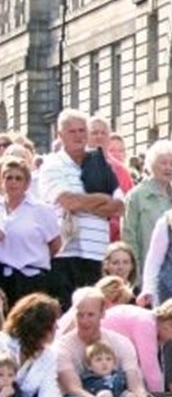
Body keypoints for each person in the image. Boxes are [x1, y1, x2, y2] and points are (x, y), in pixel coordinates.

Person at [56, 287, 172, 397]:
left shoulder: (121, 342)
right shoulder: (63, 347)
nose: (84, 321)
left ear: (102, 313)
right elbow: (73, 389)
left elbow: (135, 381)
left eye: (90, 315)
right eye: (79, 315)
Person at [39, 109, 124, 306]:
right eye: (72, 131)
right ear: (60, 135)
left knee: (94, 312)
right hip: (64, 253)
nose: (78, 136)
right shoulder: (53, 164)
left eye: (82, 130)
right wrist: (102, 199)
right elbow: (68, 201)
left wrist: (82, 203)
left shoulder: (101, 162)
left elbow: (118, 207)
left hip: (97, 252)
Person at [0, 295, 78, 397]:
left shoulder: (48, 354)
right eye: (52, 324)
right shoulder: (3, 343)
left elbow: (48, 385)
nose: (57, 327)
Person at [0, 156, 61, 306]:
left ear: (27, 184)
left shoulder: (41, 210)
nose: (13, 182)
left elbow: (55, 245)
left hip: (31, 280)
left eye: (18, 178)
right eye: (9, 178)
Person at [121, 140, 172, 271]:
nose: (168, 168)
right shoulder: (137, 196)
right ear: (151, 165)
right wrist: (134, 271)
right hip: (147, 268)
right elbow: (128, 236)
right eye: (163, 163)